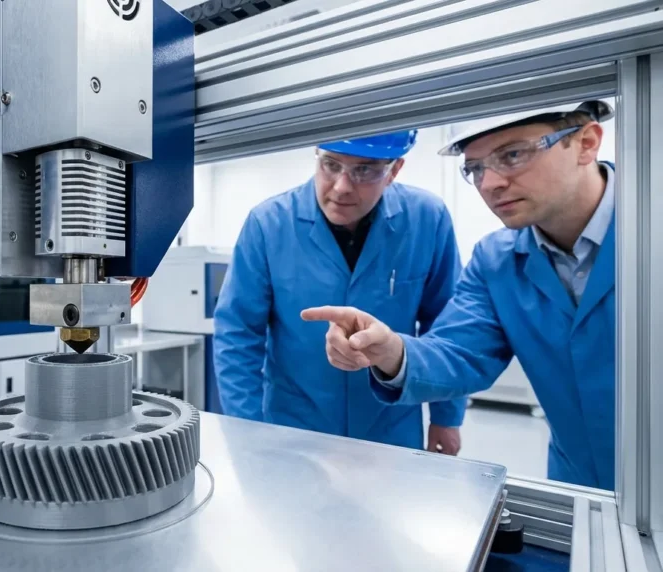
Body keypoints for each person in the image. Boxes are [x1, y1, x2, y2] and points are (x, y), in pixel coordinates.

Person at [306, 101, 616, 488]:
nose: (489, 184)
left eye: (513, 155)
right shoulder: (496, 261)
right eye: (476, 168)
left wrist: (446, 419)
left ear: (586, 142)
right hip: (581, 484)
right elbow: (459, 352)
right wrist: (391, 352)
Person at [214, 131, 467, 454]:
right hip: (294, 425)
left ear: (395, 170)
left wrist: (447, 417)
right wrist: (246, 428)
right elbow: (237, 334)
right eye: (331, 164)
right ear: (316, 154)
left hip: (390, 427)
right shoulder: (268, 224)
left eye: (365, 170)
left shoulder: (427, 219)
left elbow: (446, 324)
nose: (342, 186)